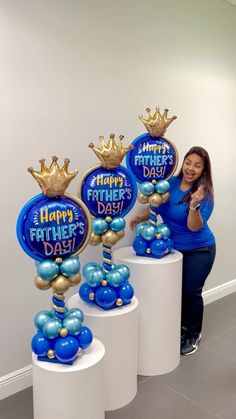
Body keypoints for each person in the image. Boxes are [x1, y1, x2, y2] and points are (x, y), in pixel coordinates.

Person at [130, 146, 216, 356]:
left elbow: (194, 227)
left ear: (203, 170)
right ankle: (183, 328)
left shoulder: (204, 195)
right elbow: (156, 205)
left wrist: (194, 203)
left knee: (190, 291)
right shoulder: (172, 184)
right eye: (188, 163)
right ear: (182, 163)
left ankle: (194, 334)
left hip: (200, 249)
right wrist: (140, 217)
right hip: (174, 250)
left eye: (197, 165)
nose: (191, 168)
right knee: (175, 292)